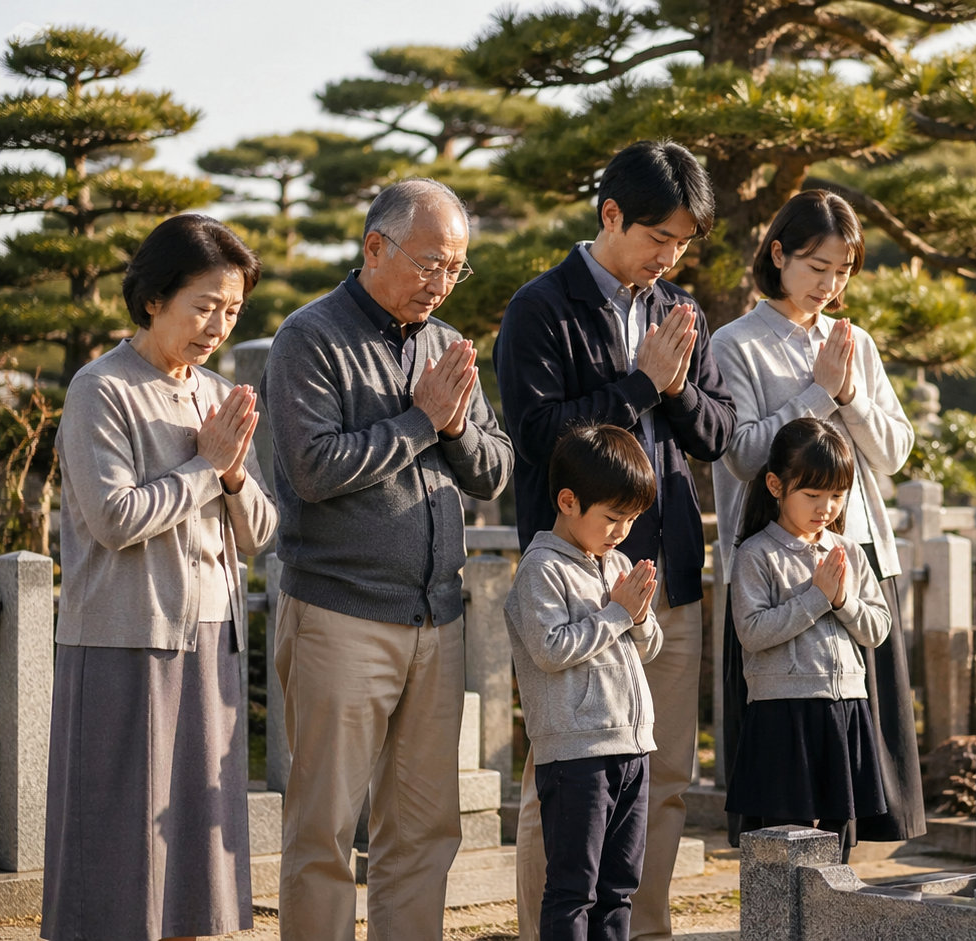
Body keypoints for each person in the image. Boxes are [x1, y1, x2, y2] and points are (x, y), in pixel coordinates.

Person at [495, 140, 734, 941]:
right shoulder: (542, 306)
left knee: (661, 773)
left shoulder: (679, 309)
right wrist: (638, 385)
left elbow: (715, 433)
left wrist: (672, 385)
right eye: (657, 238)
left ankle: (645, 930)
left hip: (665, 575)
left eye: (682, 243)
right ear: (609, 216)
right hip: (574, 581)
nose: (668, 257)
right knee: (558, 781)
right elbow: (535, 438)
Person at [265, 178, 514, 940]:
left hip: (436, 618)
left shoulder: (446, 346)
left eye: (455, 268)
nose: (441, 283)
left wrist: (455, 425)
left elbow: (495, 467)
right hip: (339, 613)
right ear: (375, 248)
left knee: (424, 831)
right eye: (430, 262)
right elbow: (311, 467)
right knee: (324, 831)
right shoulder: (309, 337)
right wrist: (420, 420)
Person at [45, 214, 276, 941]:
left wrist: (234, 471)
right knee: (116, 851)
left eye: (232, 310)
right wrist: (207, 467)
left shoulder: (215, 393)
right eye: (204, 304)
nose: (218, 324)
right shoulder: (100, 388)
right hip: (123, 638)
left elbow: (263, 532)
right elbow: (114, 517)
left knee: (194, 849)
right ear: (153, 298)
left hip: (213, 637)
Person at [709, 191, 924, 847]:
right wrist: (817, 393)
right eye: (817, 267)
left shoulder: (854, 341)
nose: (831, 285)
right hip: (772, 562)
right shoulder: (734, 343)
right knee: (784, 770)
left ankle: (842, 894)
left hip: (856, 552)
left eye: (844, 270)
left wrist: (851, 390)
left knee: (858, 769)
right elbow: (742, 453)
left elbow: (892, 451)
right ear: (778, 254)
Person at [506, 425, 663, 941]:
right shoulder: (542, 568)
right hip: (576, 755)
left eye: (632, 519)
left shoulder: (614, 563)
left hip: (632, 746)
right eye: (613, 518)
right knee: (575, 889)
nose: (622, 531)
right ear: (569, 501)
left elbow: (650, 645)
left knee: (620, 887)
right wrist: (619, 613)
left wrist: (637, 616)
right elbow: (551, 650)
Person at [724, 418, 891, 862]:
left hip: (845, 709)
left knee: (838, 840)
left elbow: (878, 627)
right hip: (783, 714)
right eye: (812, 494)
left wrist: (842, 601)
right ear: (776, 485)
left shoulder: (849, 552)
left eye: (837, 495)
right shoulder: (755, 554)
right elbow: (753, 632)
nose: (826, 507)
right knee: (784, 840)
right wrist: (817, 598)